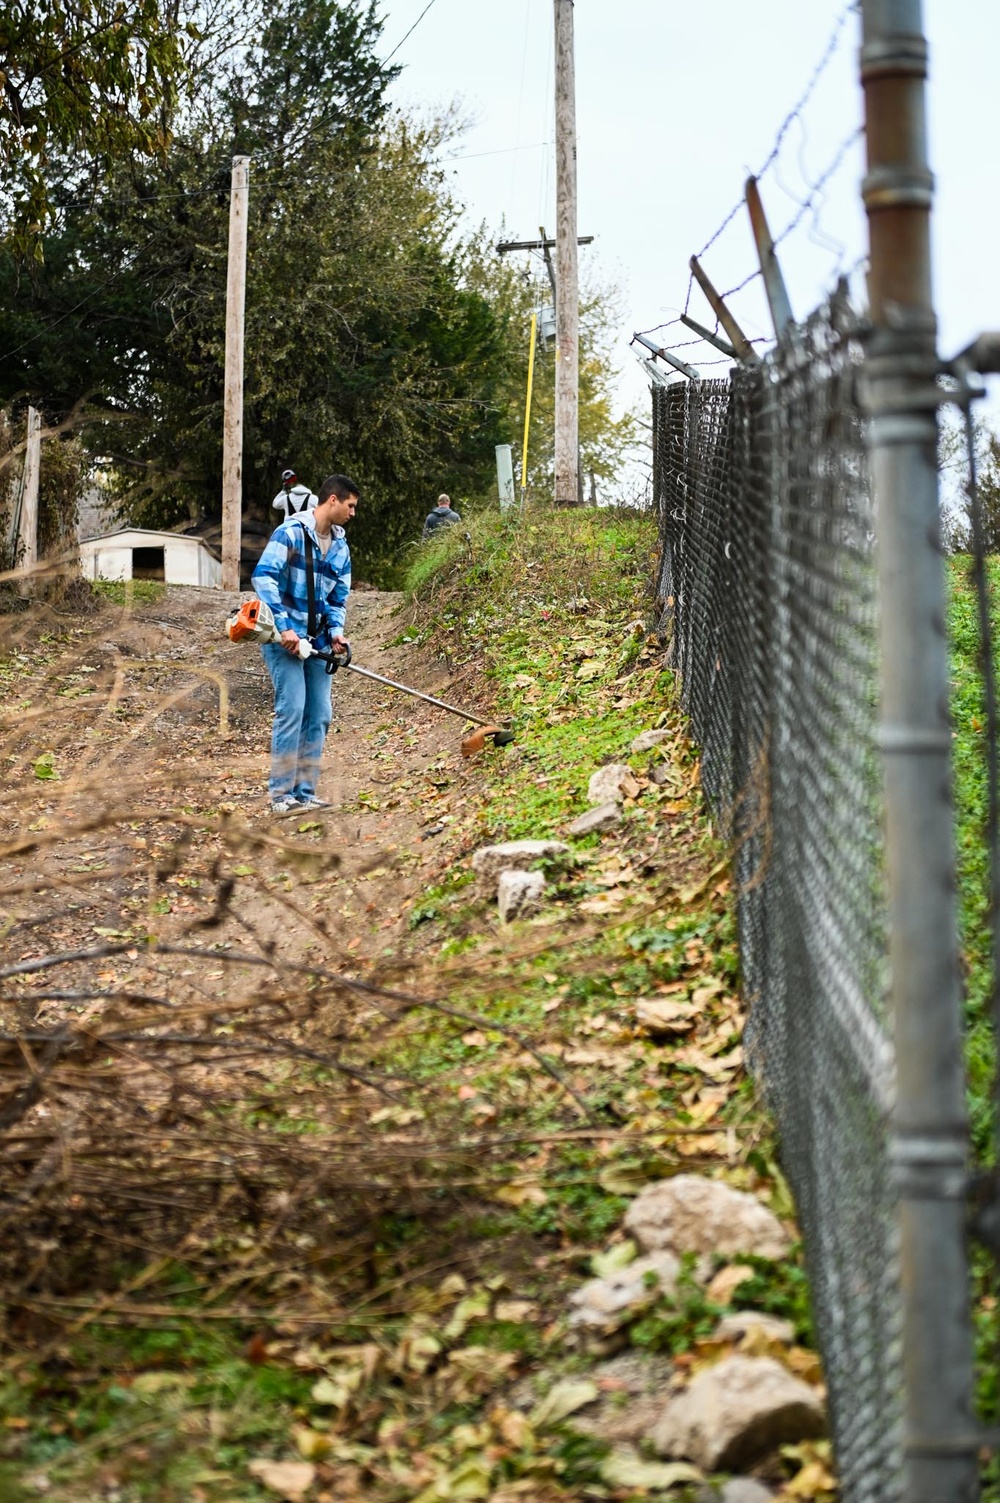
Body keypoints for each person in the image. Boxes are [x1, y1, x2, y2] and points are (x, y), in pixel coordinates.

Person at [252, 473, 359, 815]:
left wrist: (337, 632)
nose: (353, 513)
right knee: (293, 709)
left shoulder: (340, 548)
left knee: (320, 714)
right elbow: (263, 576)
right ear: (332, 500)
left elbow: (338, 599)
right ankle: (281, 795)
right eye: (350, 505)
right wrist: (284, 628)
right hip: (283, 640)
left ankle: (305, 791)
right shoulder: (291, 533)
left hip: (318, 643)